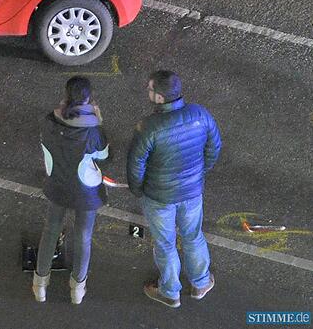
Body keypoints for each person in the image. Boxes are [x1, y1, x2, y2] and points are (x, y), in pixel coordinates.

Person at [127, 70, 222, 308]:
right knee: (193, 236)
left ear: (160, 98)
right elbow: (214, 147)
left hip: (159, 197)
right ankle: (200, 283)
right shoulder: (200, 114)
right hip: (192, 193)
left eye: (150, 89)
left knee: (165, 244)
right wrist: (199, 172)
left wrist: (138, 189)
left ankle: (170, 292)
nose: (147, 91)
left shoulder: (148, 127)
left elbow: (136, 164)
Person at [33, 76, 109, 304]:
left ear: (66, 96)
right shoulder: (93, 132)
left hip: (57, 184)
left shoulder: (49, 122)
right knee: (83, 236)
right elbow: (104, 156)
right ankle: (77, 287)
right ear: (89, 99)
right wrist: (98, 120)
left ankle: (40, 284)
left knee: (51, 230)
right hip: (86, 192)